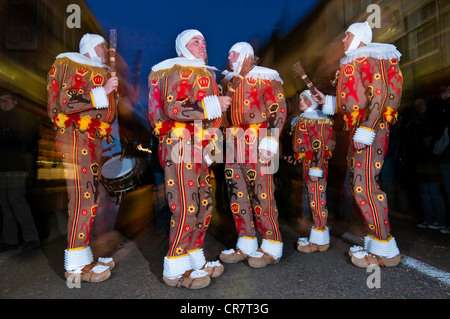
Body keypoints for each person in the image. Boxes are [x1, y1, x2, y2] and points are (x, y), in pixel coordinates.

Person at [313, 21, 403, 268]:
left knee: (364, 185)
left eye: (347, 36)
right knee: (360, 184)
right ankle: (378, 244)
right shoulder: (355, 61)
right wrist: (327, 101)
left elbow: (381, 93)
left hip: (369, 128)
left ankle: (386, 249)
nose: (343, 40)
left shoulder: (372, 57)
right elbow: (352, 101)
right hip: (359, 127)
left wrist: (367, 126)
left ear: (360, 37)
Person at [148, 29, 230, 289]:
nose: (203, 44)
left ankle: (195, 258)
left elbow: (209, 117)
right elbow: (174, 107)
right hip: (179, 144)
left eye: (204, 40)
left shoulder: (203, 72)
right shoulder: (179, 69)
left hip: (200, 145)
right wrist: (214, 104)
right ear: (183, 47)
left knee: (204, 202)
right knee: (186, 204)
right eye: (196, 41)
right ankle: (175, 266)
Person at [47, 33, 118, 283]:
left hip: (91, 138)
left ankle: (84, 256)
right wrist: (104, 90)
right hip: (76, 136)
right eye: (101, 45)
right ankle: (75, 266)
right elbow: (67, 102)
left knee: (91, 197)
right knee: (82, 198)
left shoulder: (95, 70)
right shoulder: (72, 63)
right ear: (88, 47)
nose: (105, 49)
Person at [218, 42, 287, 268]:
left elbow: (278, 109)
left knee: (262, 194)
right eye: (229, 53)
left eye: (234, 53)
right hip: (232, 143)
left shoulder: (265, 77)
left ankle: (271, 244)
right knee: (237, 194)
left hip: (258, 142)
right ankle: (246, 242)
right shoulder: (227, 81)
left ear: (246, 55)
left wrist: (271, 139)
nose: (229, 56)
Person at [292, 90, 335, 253]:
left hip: (315, 165)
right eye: (300, 98)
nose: (301, 101)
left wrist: (316, 168)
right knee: (313, 197)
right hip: (308, 164)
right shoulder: (305, 118)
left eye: (305, 99)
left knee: (317, 197)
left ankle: (320, 237)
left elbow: (320, 146)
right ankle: (318, 233)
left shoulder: (318, 121)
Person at [0, 91, 40, 252]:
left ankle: (31, 238)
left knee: (17, 201)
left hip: (17, 167)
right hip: (2, 168)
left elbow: (24, 139)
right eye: (1, 100)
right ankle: (10, 239)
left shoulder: (20, 119)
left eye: (7, 99)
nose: (4, 102)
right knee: (5, 204)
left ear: (15, 102)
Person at [403, 98, 446, 230]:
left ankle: (440, 220)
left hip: (431, 159)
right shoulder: (414, 121)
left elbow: (436, 137)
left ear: (426, 104)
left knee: (433, 190)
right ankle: (429, 218)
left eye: (421, 103)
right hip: (419, 160)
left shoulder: (433, 119)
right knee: (424, 191)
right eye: (416, 105)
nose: (419, 106)